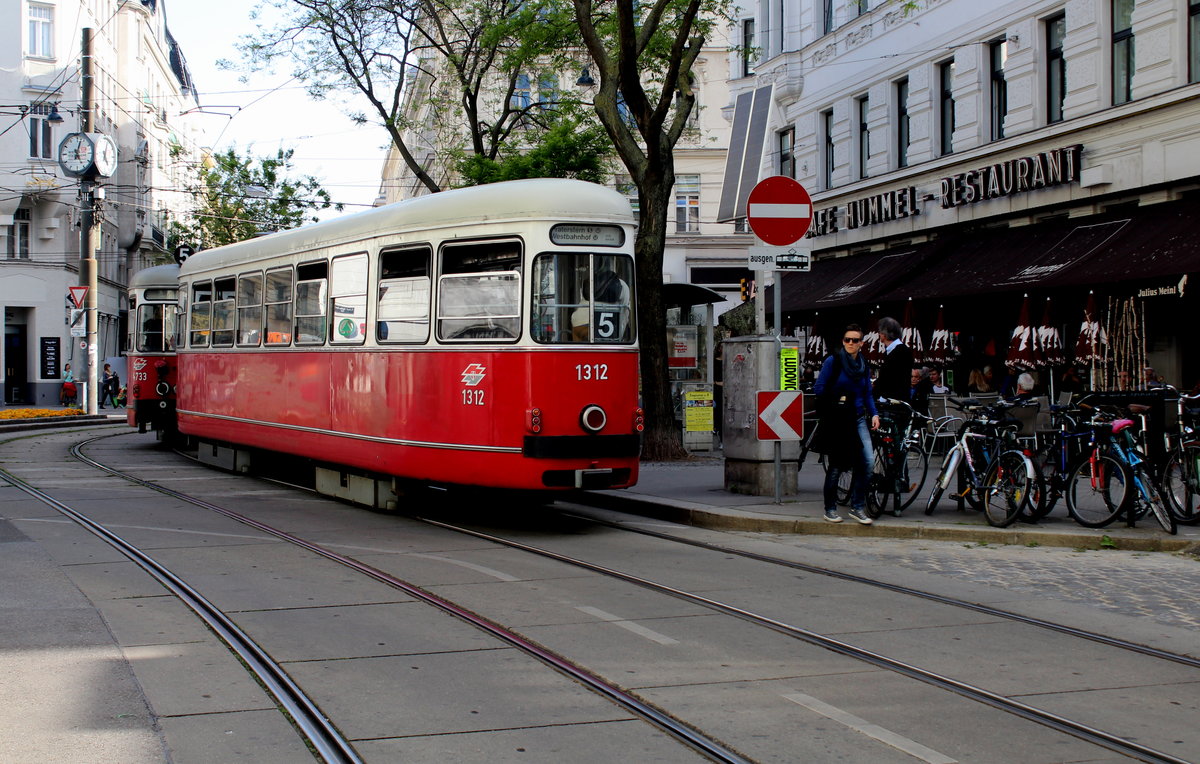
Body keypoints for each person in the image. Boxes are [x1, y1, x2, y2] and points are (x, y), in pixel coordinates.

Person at [812, 324, 880, 526]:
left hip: (857, 417)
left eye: (855, 340)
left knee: (867, 462)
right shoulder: (833, 362)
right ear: (843, 341)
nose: (850, 343)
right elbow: (819, 388)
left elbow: (867, 392)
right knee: (837, 466)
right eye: (847, 340)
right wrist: (838, 399)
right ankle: (830, 509)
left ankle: (857, 506)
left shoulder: (863, 365)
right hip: (838, 419)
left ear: (861, 343)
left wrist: (874, 413)